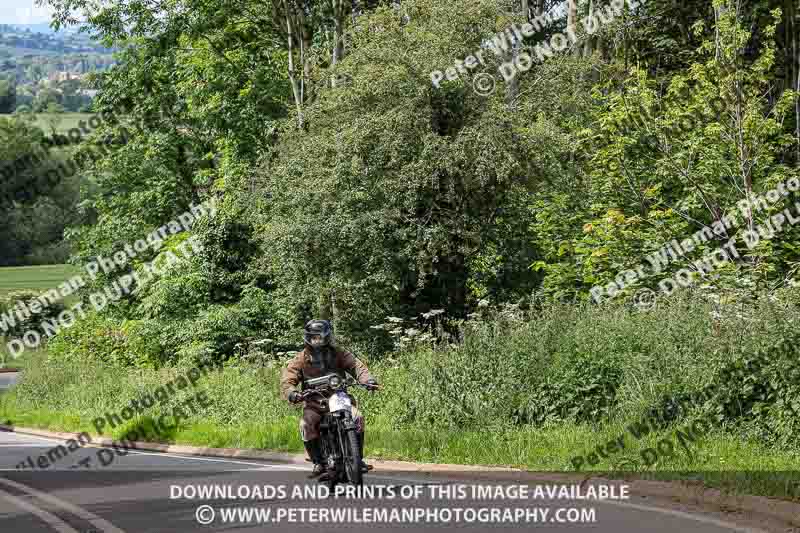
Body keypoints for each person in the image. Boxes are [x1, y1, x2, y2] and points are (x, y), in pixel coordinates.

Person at [280, 319, 379, 477]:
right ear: (308, 338)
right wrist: (292, 393)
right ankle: (318, 462)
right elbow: (288, 379)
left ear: (327, 336)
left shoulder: (338, 353)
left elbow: (356, 366)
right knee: (305, 425)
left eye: (320, 337)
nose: (317, 340)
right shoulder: (300, 359)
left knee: (358, 417)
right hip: (315, 402)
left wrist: (368, 380)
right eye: (314, 337)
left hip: (338, 397)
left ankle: (357, 459)